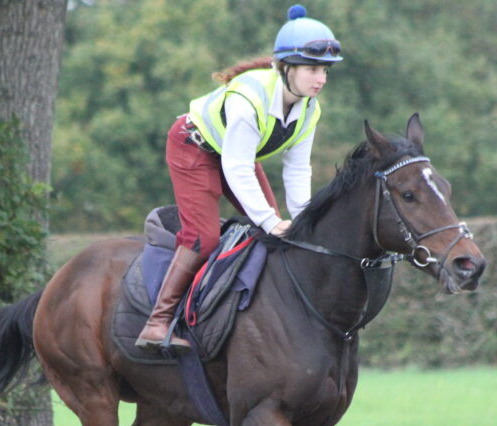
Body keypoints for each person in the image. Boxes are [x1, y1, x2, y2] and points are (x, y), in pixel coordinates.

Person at [135, 5, 343, 353]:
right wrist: (270, 221)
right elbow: (236, 168)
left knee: (276, 232)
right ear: (286, 68)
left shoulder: (310, 108)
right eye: (312, 69)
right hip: (193, 147)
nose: (320, 78)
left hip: (235, 156)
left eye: (324, 70)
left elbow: (297, 169)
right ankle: (157, 322)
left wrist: (304, 219)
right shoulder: (249, 98)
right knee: (203, 238)